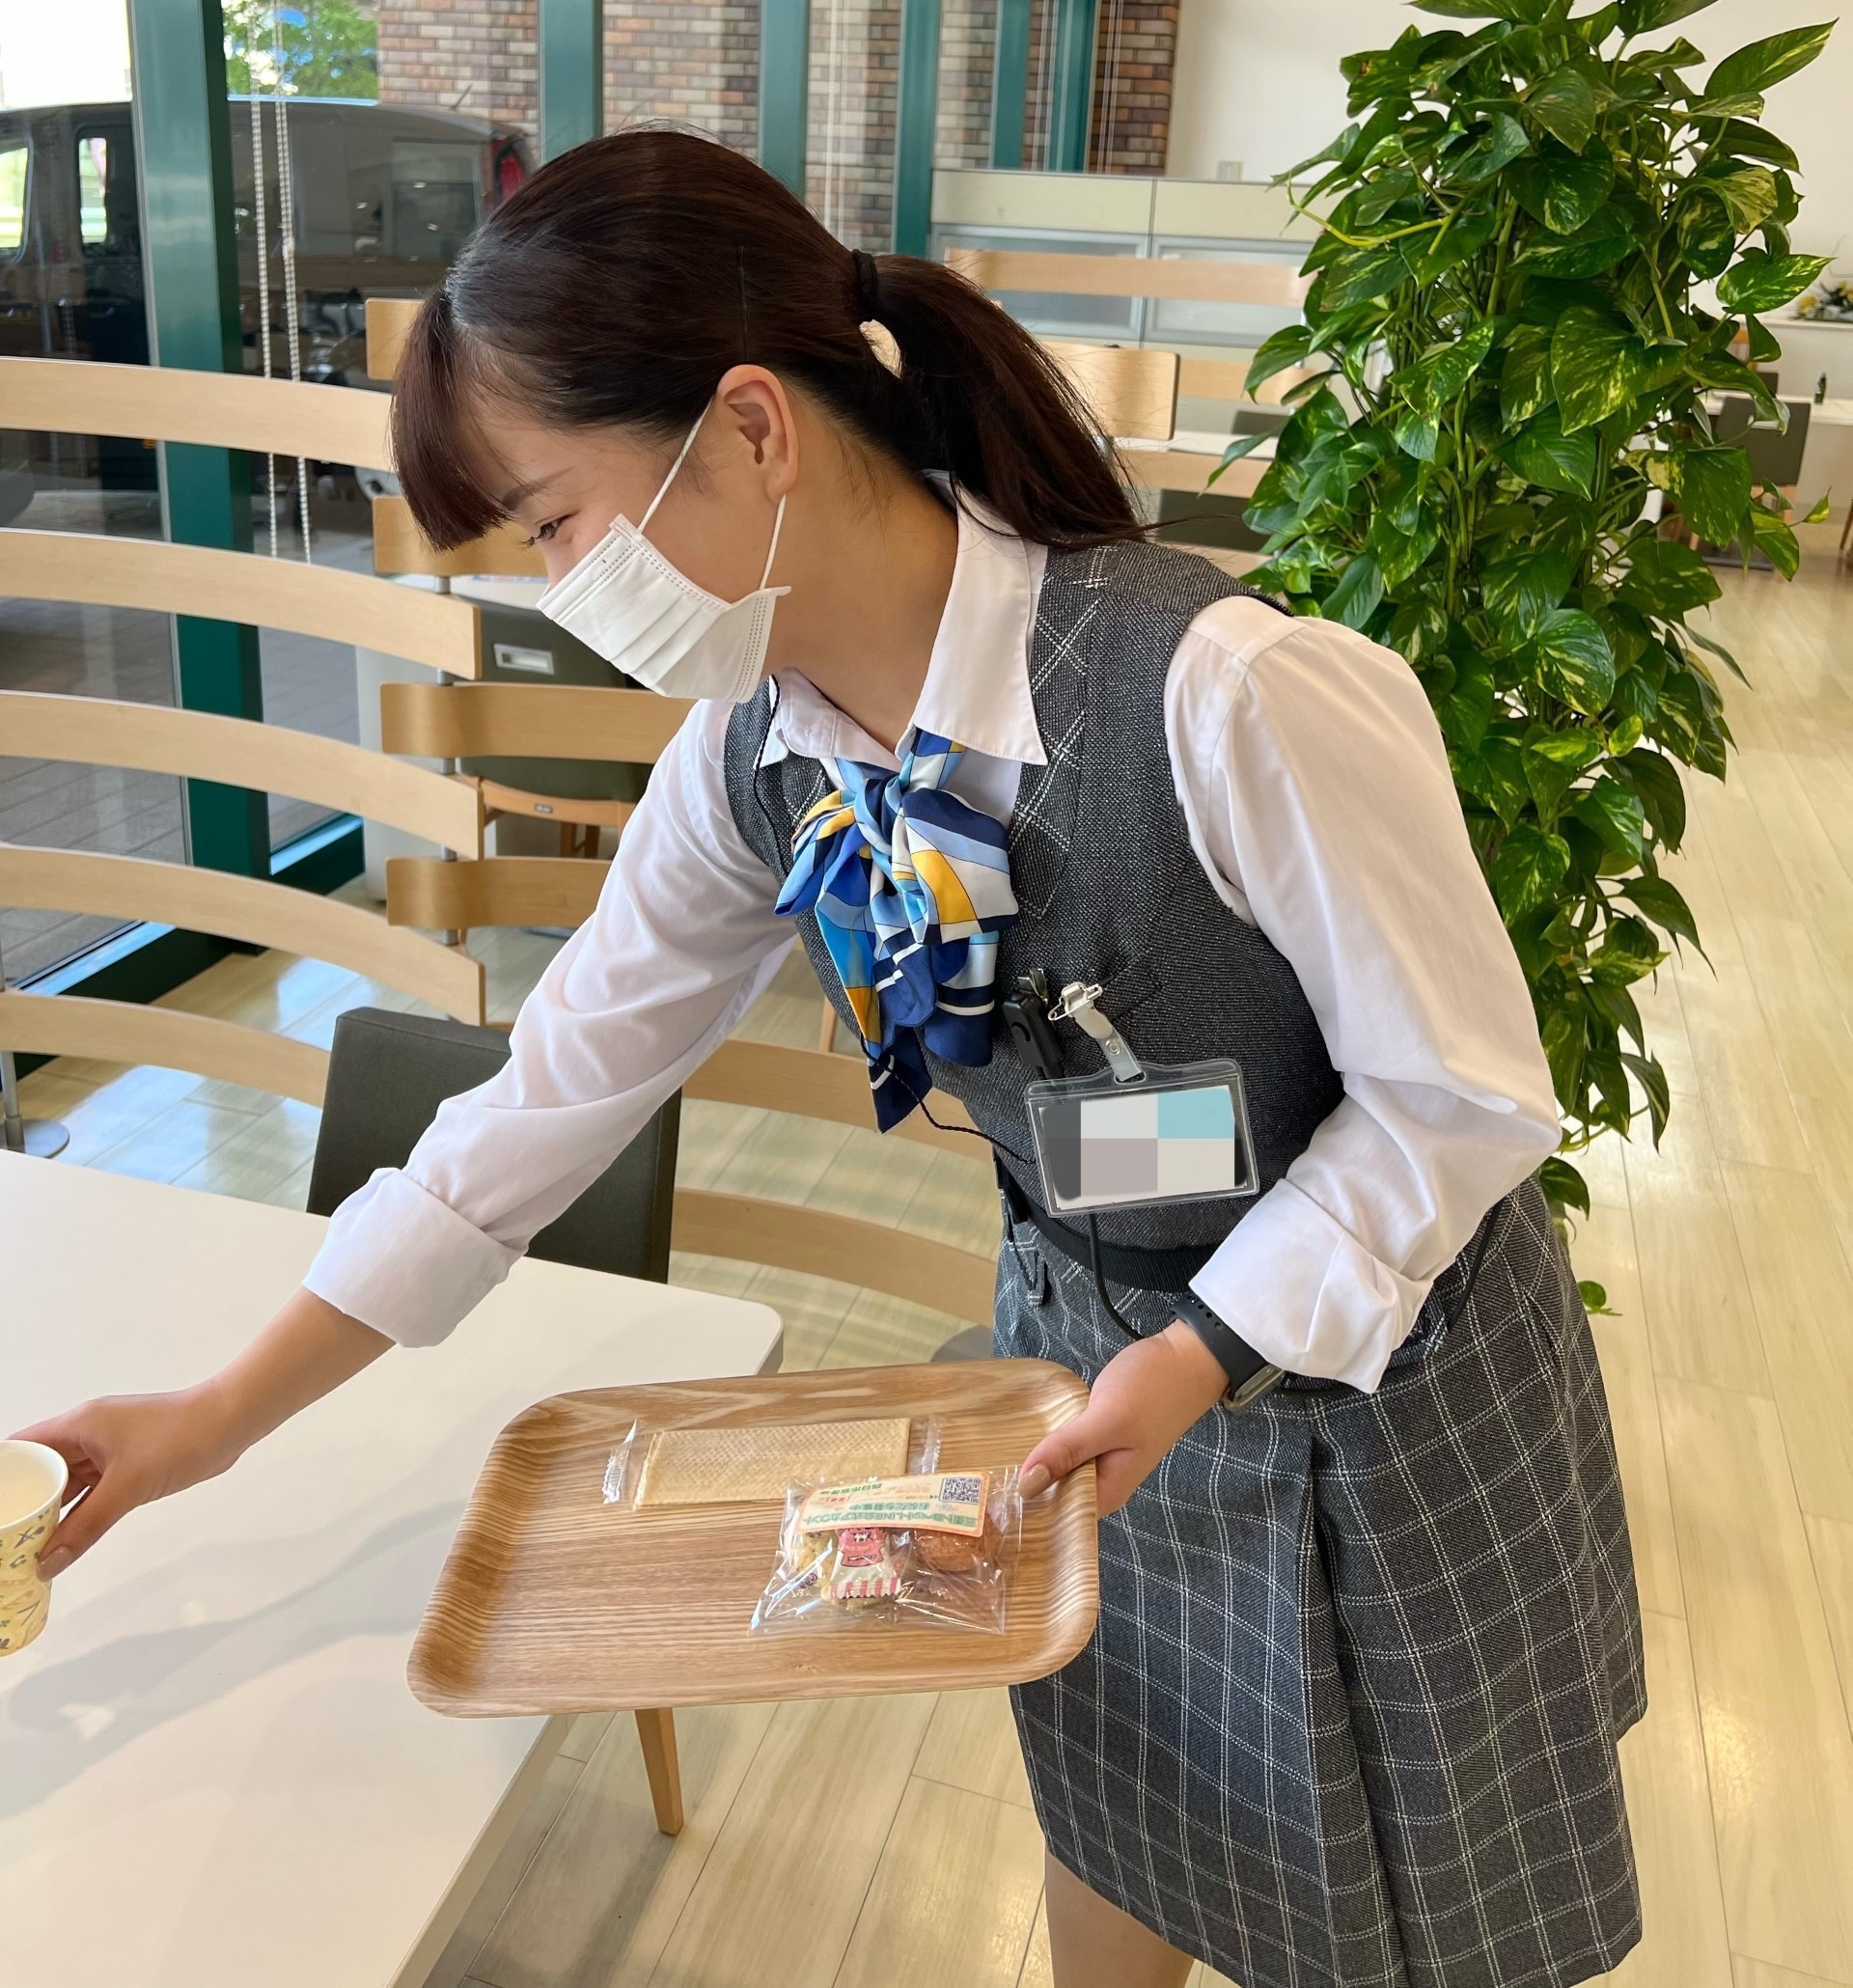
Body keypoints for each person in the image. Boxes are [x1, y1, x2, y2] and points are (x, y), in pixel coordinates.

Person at [19, 130, 1645, 1988]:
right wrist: (212, 1418)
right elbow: (537, 1109)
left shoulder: (1227, 690)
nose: (557, 586)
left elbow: (1462, 1098)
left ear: (749, 430)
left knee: (1406, 1914)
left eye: (553, 523)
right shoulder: (751, 762)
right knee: (1125, 1832)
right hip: (1077, 1386)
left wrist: (1207, 1352)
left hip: (1376, 1388)